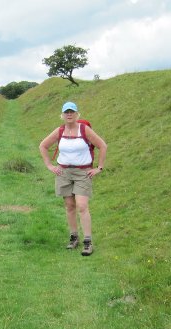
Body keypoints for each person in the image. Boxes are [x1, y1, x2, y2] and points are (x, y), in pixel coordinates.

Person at [39, 101, 107, 256]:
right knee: (70, 206)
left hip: (83, 172)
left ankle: (88, 242)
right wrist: (49, 165)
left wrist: (99, 167)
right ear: (62, 115)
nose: (69, 114)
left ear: (77, 114)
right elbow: (43, 146)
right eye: (66, 112)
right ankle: (74, 237)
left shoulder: (85, 129)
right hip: (63, 172)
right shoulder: (60, 130)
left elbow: (103, 146)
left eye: (72, 112)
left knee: (82, 205)